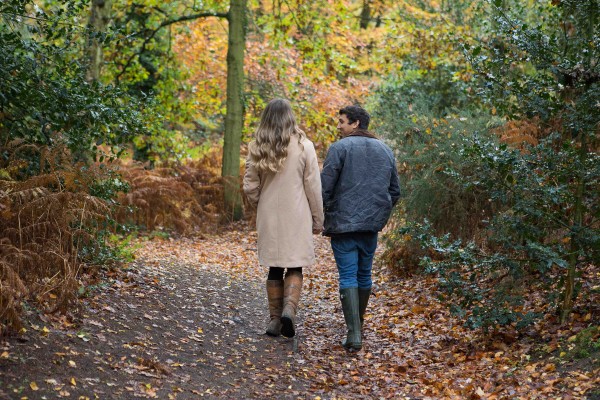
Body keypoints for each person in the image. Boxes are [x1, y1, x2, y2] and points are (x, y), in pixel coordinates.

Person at [321, 105, 400, 351]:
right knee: (364, 275)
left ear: (355, 123)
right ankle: (358, 327)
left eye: (342, 121)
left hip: (344, 225)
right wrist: (380, 213)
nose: (338, 126)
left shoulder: (339, 149)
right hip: (371, 226)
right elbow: (395, 191)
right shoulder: (385, 150)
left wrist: (321, 212)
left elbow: (324, 188)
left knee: (347, 276)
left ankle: (354, 333)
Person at [243, 98, 324, 338]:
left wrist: (260, 203)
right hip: (297, 213)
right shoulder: (304, 146)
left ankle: (274, 320)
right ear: (290, 117)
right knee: (295, 264)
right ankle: (290, 308)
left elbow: (250, 185)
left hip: (269, 214)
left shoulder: (258, 145)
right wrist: (318, 218)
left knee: (275, 267)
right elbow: (313, 186)